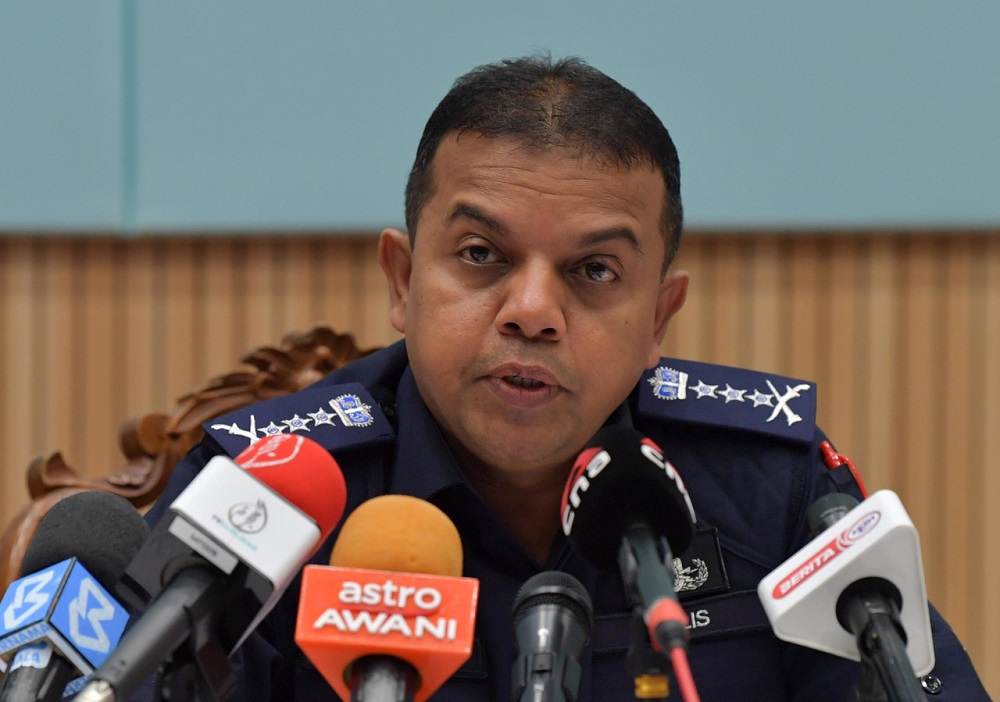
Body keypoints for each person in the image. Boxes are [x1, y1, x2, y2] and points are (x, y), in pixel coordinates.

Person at [142, 55, 989, 700]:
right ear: (402, 282)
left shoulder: (771, 490)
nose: (533, 310)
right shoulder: (261, 495)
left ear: (659, 317)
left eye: (592, 271)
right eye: (482, 256)